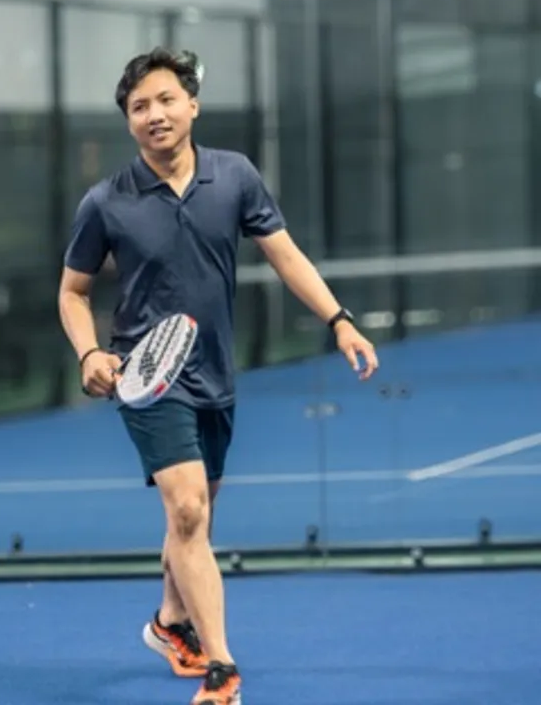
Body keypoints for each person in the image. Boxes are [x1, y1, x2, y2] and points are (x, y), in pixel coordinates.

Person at [58, 47, 379, 705]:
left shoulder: (234, 176)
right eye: (139, 106)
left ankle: (169, 623)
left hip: (214, 373)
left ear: (193, 105)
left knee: (194, 521)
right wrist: (90, 353)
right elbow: (72, 291)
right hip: (147, 377)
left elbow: (285, 255)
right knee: (186, 508)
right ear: (128, 121)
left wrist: (339, 319)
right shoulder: (106, 202)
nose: (154, 114)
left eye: (166, 99)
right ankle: (221, 670)